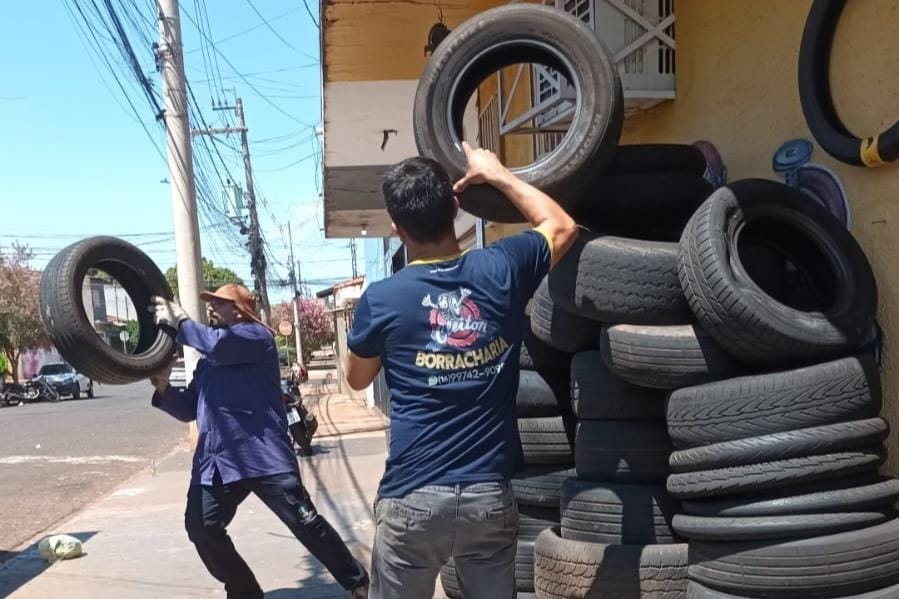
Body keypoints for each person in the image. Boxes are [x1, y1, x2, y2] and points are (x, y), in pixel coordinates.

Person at [344, 142, 578, 599]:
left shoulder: (383, 299)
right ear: (455, 207)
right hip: (485, 496)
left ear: (397, 229)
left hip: (412, 498)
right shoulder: (502, 268)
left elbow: (356, 379)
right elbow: (562, 225)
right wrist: (496, 173)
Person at [148, 283, 369, 599]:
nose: (212, 309)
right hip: (217, 463)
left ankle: (358, 581)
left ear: (238, 310)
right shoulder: (207, 364)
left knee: (306, 523)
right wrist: (164, 387)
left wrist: (181, 322)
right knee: (201, 526)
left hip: (263, 456)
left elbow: (219, 346)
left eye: (219, 304)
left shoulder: (255, 337)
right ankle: (244, 591)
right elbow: (188, 410)